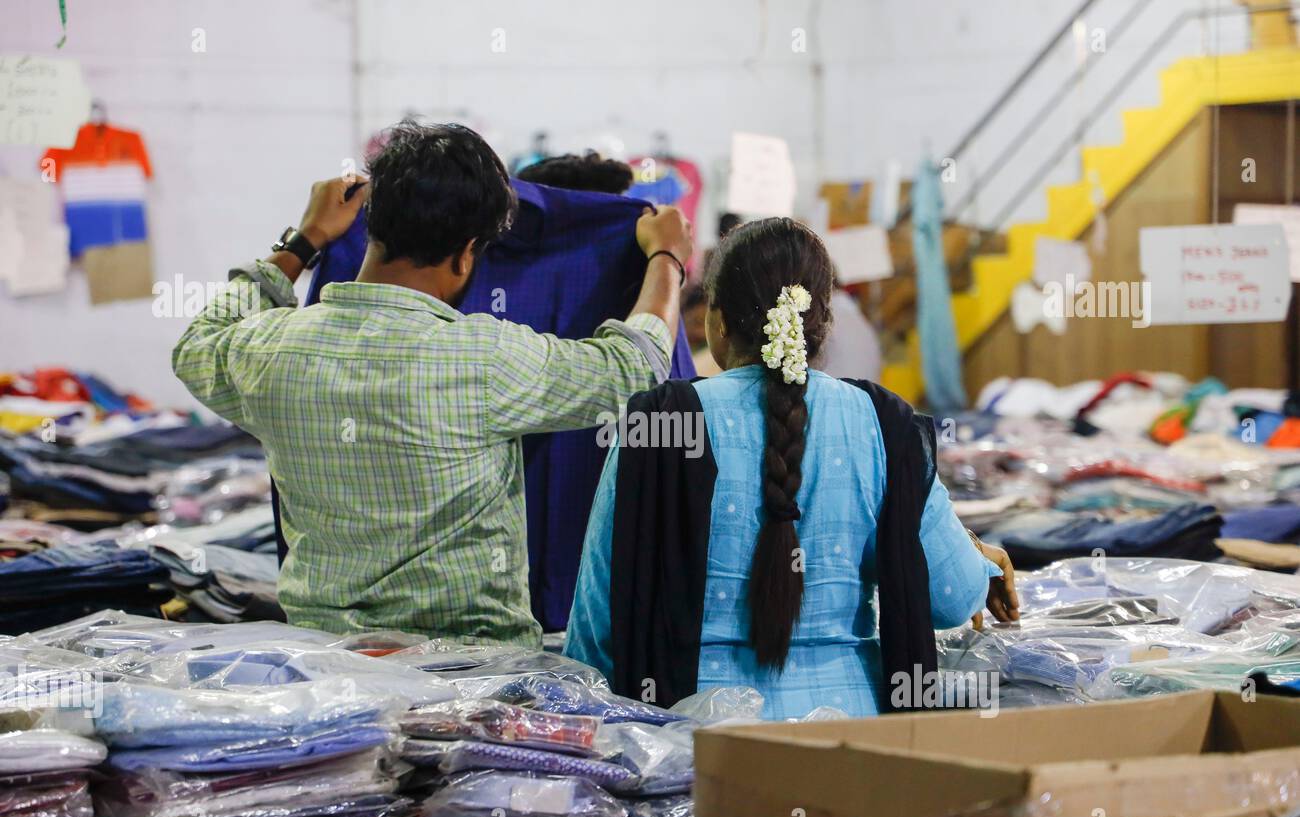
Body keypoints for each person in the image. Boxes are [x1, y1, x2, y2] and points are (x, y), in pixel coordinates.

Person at [173, 122, 692, 644]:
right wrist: (667, 258)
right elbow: (632, 367)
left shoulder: (271, 352)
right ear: (468, 253)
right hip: (468, 680)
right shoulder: (485, 359)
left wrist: (303, 241)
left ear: (372, 225)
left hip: (328, 671)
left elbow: (197, 341)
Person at [565, 217, 1017, 719]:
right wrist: (981, 564)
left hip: (693, 749)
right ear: (821, 323)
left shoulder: (658, 423)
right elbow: (951, 598)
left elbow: (596, 627)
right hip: (854, 746)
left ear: (716, 320)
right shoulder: (883, 425)